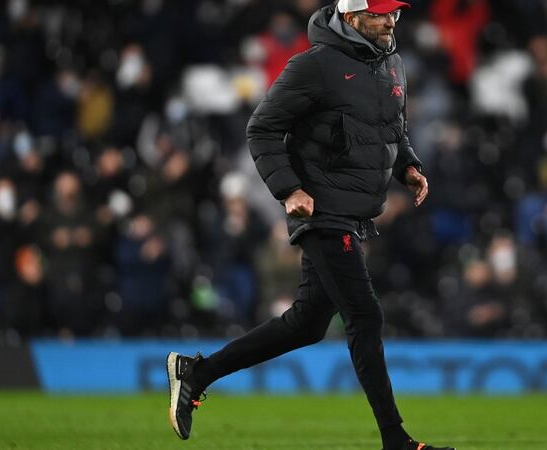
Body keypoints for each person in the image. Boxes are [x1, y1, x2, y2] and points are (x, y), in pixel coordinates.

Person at [167, 1, 454, 449]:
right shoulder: (314, 65)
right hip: (322, 212)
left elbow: (390, 130)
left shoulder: (391, 62)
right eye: (380, 13)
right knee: (365, 314)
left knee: (307, 325)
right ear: (353, 17)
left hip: (354, 212)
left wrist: (408, 167)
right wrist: (289, 191)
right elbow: (260, 129)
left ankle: (197, 372)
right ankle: (396, 440)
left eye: (394, 11)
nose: (391, 20)